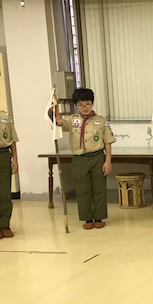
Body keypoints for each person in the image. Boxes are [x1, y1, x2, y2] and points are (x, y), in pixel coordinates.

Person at [56, 88, 115, 230]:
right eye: (81, 105)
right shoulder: (72, 120)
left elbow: (108, 141)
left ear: (92, 104)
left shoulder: (100, 121)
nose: (85, 107)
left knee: (99, 189)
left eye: (88, 104)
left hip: (97, 158)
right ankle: (87, 218)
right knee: (82, 190)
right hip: (79, 159)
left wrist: (108, 161)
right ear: (76, 106)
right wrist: (55, 114)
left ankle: (99, 217)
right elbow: (59, 124)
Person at [0, 110, 19, 239]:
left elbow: (13, 139)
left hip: (4, 155)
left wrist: (15, 160)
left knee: (5, 193)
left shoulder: (6, 117)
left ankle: (4, 225)